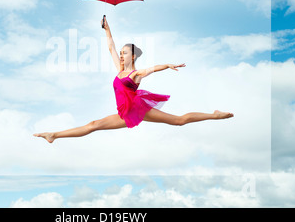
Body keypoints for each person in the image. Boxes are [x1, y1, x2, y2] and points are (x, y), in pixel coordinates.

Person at [34, 17, 233, 143]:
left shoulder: (135, 74)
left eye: (125, 53)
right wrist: (107, 29)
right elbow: (111, 47)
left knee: (179, 121)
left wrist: (168, 65)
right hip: (124, 114)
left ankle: (214, 115)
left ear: (133, 56)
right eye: (121, 53)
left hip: (138, 109)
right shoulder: (119, 70)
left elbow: (152, 69)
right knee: (93, 124)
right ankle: (54, 135)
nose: (121, 55)